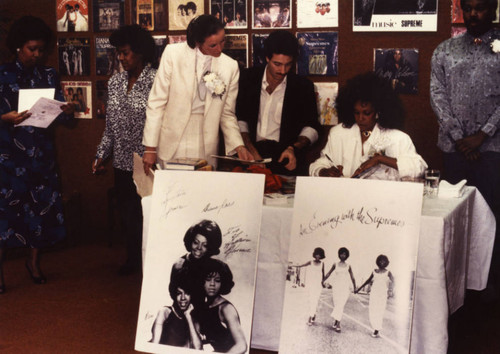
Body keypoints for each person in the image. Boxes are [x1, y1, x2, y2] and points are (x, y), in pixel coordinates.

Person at [0, 16, 75, 293]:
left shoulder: (49, 75)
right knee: (4, 215)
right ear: (18, 47)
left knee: (39, 211)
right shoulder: (2, 75)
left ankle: (33, 264)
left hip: (41, 157)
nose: (37, 54)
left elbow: (64, 120)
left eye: (41, 49)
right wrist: (4, 118)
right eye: (32, 48)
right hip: (8, 159)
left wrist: (67, 112)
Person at [142, 14, 252, 174]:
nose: (220, 49)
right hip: (172, 141)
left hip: (206, 142)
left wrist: (238, 146)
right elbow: (156, 103)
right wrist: (150, 148)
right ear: (197, 42)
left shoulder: (230, 66)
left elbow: (227, 114)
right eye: (213, 45)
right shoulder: (173, 54)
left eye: (222, 41)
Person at [93, 25, 157, 275]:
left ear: (140, 52)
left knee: (148, 216)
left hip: (147, 162)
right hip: (121, 161)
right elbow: (110, 127)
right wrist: (100, 155)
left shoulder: (156, 80)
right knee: (129, 217)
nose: (120, 57)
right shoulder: (115, 82)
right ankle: (133, 260)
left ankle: (151, 263)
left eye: (125, 52)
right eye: (118, 53)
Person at [430, 0, 500, 230]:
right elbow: (437, 94)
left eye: (479, 8)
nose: (472, 14)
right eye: (467, 8)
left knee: (490, 221)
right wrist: (458, 137)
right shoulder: (445, 50)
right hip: (454, 149)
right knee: (454, 220)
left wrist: (483, 134)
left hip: (492, 150)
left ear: (493, 10)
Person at [310, 72, 427, 179]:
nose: (360, 118)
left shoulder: (397, 138)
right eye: (356, 112)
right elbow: (319, 164)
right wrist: (324, 171)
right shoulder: (339, 133)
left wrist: (380, 159)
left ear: (378, 112)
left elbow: (419, 168)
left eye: (366, 113)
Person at [236, 30, 320, 175]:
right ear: (267, 58)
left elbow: (313, 127)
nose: (282, 71)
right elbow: (239, 119)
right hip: (249, 154)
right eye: (277, 64)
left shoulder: (303, 87)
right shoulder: (247, 79)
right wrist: (249, 148)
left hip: (285, 158)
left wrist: (294, 148)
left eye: (288, 65)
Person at [197, 258, 247, 353]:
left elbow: (242, 346)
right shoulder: (205, 307)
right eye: (208, 279)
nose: (212, 284)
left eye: (217, 280)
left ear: (223, 283)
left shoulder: (226, 308)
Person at [171, 219, 223, 307]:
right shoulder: (179, 265)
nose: (199, 248)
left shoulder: (214, 267)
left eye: (205, 245)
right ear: (190, 241)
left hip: (202, 314)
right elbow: (174, 294)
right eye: (196, 242)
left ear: (210, 247)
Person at [150, 271, 202, 348]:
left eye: (187, 293)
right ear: (174, 294)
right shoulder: (165, 312)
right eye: (179, 293)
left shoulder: (193, 321)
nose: (183, 298)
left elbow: (198, 348)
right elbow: (154, 344)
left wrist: (188, 316)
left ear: (192, 296)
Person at [356, 255, 394, 338]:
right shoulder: (374, 271)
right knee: (373, 310)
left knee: (380, 311)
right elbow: (367, 281)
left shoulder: (388, 272)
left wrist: (390, 290)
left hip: (382, 294)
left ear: (386, 262)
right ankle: (376, 327)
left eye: (384, 261)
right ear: (378, 262)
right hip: (374, 293)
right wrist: (358, 289)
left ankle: (377, 330)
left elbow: (394, 281)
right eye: (380, 261)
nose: (382, 262)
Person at [323, 247, 356, 333]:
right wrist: (323, 280)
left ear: (347, 255)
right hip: (336, 287)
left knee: (341, 305)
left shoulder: (349, 266)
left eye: (345, 254)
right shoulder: (335, 264)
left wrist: (355, 287)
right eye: (341, 253)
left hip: (345, 288)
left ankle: (338, 324)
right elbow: (329, 273)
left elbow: (352, 277)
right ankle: (336, 321)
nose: (343, 255)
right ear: (339, 254)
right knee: (337, 304)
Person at [294, 247, 326, 326]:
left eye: (319, 255)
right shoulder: (310, 262)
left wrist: (323, 282)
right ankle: (313, 315)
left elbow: (323, 274)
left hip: (318, 285)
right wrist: (294, 265)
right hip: (311, 284)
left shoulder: (322, 264)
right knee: (311, 300)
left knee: (315, 300)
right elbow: (302, 265)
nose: (318, 256)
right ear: (314, 255)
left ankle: (310, 317)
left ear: (321, 256)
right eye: (316, 254)